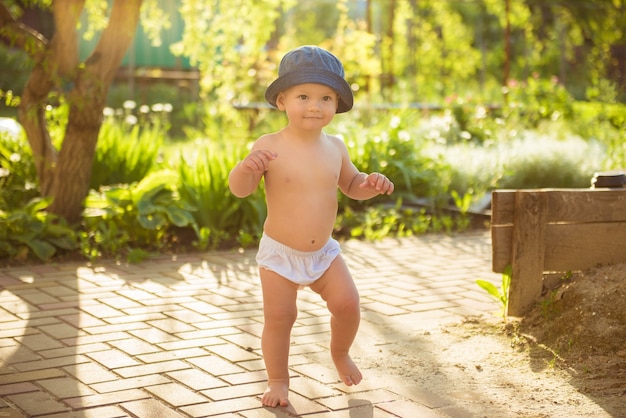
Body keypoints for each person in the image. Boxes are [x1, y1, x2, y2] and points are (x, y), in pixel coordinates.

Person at [228, 45, 394, 408]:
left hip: (324, 252)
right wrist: (247, 168)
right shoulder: (269, 145)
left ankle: (340, 353)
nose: (315, 105)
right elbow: (240, 191)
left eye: (325, 98)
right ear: (282, 101)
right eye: (303, 96)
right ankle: (278, 380)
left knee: (348, 304)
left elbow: (351, 184)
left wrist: (370, 183)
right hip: (280, 254)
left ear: (336, 105)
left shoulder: (335, 146)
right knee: (280, 317)